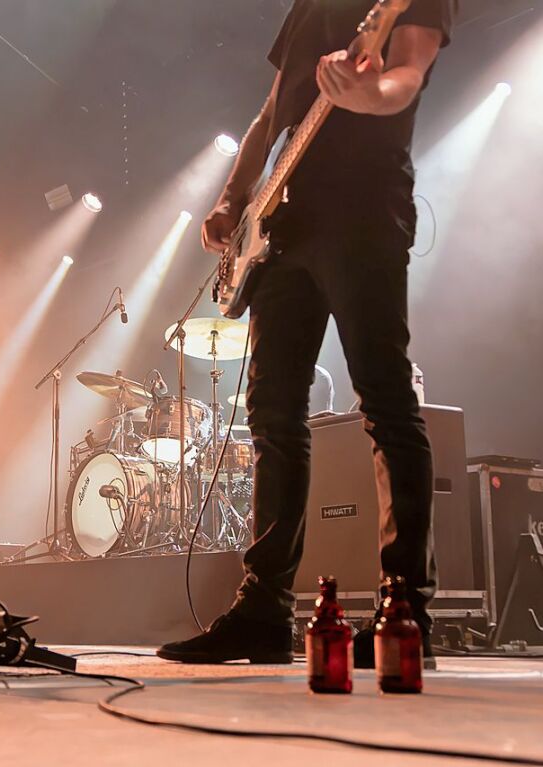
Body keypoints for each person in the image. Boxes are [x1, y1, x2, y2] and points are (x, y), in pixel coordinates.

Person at [159, 1, 455, 664]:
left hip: (362, 207)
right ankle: (261, 611)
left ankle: (403, 610)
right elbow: (271, 114)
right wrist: (232, 199)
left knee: (382, 397)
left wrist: (364, 90)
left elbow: (403, 77)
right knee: (270, 416)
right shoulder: (307, 7)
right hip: (281, 226)